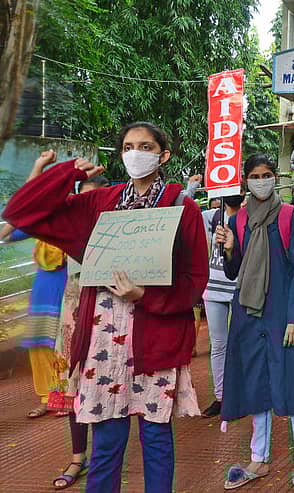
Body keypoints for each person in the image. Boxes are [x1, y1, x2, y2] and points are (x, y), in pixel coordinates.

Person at [2, 121, 207, 493]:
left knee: (156, 442)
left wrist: (146, 297)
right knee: (106, 445)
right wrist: (66, 173)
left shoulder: (182, 208)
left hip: (155, 342)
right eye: (128, 146)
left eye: (145, 147)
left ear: (163, 156)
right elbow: (21, 213)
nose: (135, 153)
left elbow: (195, 282)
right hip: (103, 344)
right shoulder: (100, 203)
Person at [216, 154, 294, 492]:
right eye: (255, 175)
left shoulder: (291, 216)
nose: (261, 180)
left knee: (293, 379)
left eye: (267, 174)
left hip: (283, 314)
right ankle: (258, 458)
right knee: (257, 381)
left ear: (276, 177)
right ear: (246, 180)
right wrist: (230, 249)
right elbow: (234, 272)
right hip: (248, 313)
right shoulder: (237, 221)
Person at [48, 173, 109, 490]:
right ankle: (78, 456)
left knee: (104, 386)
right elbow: (31, 211)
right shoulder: (68, 230)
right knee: (74, 389)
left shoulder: (116, 234)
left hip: (108, 316)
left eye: (92, 198)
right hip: (73, 314)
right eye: (80, 198)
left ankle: (102, 457)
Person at [0, 150, 69, 420]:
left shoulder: (74, 214)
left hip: (68, 285)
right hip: (44, 285)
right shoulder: (38, 220)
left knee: (64, 343)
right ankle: (46, 396)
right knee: (40, 343)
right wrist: (38, 164)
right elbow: (13, 221)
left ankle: (65, 396)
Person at [198, 193, 244, 418]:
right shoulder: (211, 217)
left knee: (243, 342)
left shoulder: (249, 217)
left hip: (241, 288)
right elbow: (183, 216)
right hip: (214, 288)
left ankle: (243, 394)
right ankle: (221, 397)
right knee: (218, 345)